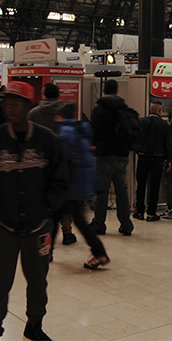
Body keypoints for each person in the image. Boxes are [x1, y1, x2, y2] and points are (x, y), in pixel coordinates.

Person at [0, 81, 68, 341]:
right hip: (4, 228)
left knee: (37, 283)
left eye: (16, 101)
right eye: (7, 101)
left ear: (28, 106)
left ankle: (34, 325)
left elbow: (61, 180)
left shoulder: (48, 141)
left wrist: (45, 210)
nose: (9, 106)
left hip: (38, 228)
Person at [53, 101, 109, 271]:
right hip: (79, 186)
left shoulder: (66, 132)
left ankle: (99, 252)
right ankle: (45, 252)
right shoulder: (80, 130)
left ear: (60, 115)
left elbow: (62, 161)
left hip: (70, 187)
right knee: (57, 218)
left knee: (68, 220)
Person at [88, 79, 136, 235]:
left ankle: (99, 224)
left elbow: (93, 133)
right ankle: (126, 225)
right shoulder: (124, 108)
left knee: (102, 192)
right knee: (122, 191)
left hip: (104, 155)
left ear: (103, 91)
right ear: (117, 91)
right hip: (122, 155)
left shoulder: (99, 109)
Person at [134, 102, 169, 222]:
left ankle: (139, 211)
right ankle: (151, 213)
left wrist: (138, 152)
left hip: (143, 158)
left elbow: (135, 139)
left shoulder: (141, 122)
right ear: (160, 111)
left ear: (149, 109)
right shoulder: (164, 124)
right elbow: (167, 143)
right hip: (158, 159)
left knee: (141, 186)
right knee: (154, 187)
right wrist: (168, 159)